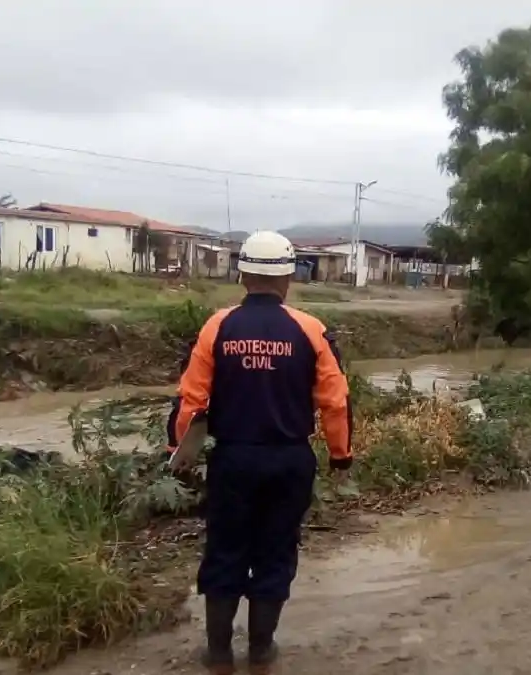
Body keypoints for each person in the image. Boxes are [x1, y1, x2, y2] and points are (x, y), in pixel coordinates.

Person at [169, 230, 353, 675]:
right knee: (275, 552)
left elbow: (190, 401)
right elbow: (336, 401)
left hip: (233, 461)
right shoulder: (311, 330)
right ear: (288, 276)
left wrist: (179, 450)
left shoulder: (217, 326)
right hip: (289, 462)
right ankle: (261, 652)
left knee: (226, 549)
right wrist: (340, 455)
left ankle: (217, 655)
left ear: (242, 274)